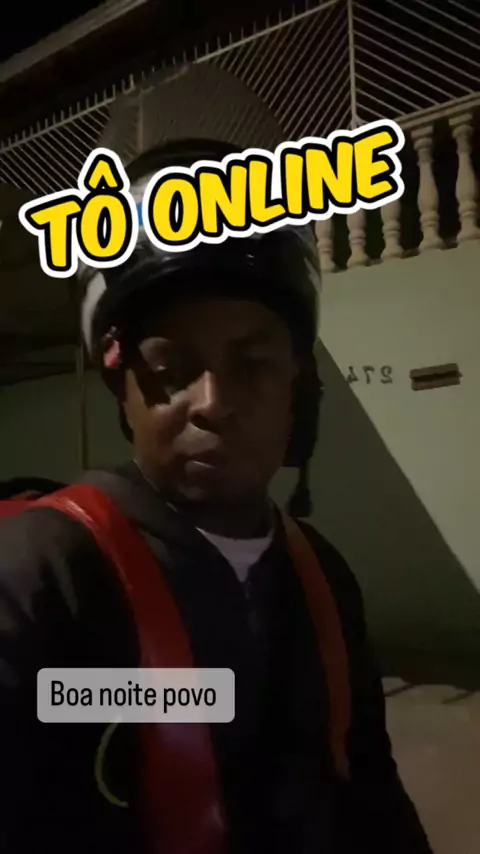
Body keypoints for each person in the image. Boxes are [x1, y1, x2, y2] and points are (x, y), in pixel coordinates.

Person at [0, 139, 432, 854]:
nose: (212, 403)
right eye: (170, 367)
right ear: (121, 387)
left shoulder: (322, 578)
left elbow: (372, 791)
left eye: (253, 363)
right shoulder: (38, 571)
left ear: (299, 385)